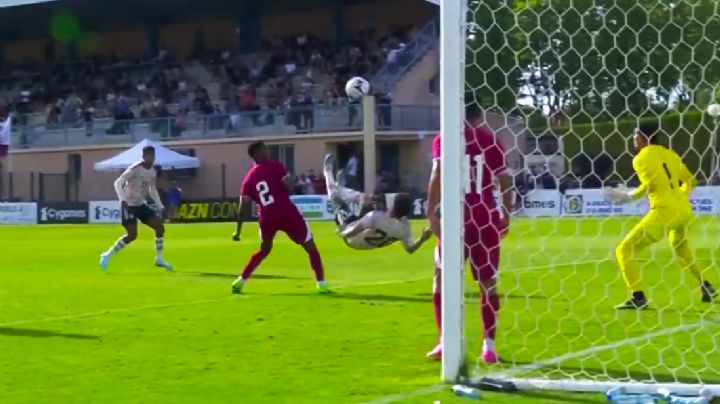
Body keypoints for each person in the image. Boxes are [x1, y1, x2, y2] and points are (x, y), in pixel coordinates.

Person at [425, 102, 513, 363]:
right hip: (484, 216)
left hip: (456, 217)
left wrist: (430, 211)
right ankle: (489, 346)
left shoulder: (445, 139)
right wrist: (506, 214)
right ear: (478, 116)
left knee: (441, 278)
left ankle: (444, 342)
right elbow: (505, 180)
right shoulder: (489, 140)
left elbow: (437, 173)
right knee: (488, 282)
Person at [604, 122, 716, 309]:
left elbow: (649, 185)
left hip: (664, 212)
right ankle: (706, 285)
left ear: (641, 137)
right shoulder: (670, 154)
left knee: (624, 250)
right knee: (682, 249)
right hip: (683, 210)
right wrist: (680, 196)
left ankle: (637, 296)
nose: (633, 139)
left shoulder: (640, 158)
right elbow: (691, 180)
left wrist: (626, 197)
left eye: (634, 136)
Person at [231, 141, 329, 294]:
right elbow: (287, 186)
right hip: (286, 212)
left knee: (264, 250)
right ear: (256, 154)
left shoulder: (248, 179)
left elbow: (243, 205)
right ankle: (322, 284)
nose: (268, 152)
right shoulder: (275, 166)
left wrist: (238, 231)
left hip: (267, 217)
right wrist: (291, 181)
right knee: (310, 246)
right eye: (264, 150)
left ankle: (241, 281)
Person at [324, 154, 432, 252]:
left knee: (336, 199)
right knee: (368, 199)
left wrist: (343, 233)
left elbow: (354, 230)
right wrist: (422, 239)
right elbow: (410, 249)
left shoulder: (376, 217)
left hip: (353, 239)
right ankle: (342, 187)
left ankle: (328, 173)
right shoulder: (405, 228)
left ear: (393, 207)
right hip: (367, 241)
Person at [100, 146, 173, 271]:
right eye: (148, 156)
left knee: (160, 227)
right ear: (144, 156)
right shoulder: (135, 168)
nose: (151, 158)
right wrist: (122, 200)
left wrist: (160, 206)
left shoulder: (153, 172)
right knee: (132, 235)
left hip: (140, 204)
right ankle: (107, 255)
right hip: (128, 205)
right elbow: (118, 183)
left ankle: (159, 259)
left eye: (152, 156)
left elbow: (152, 189)